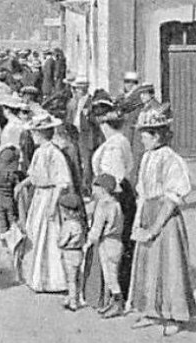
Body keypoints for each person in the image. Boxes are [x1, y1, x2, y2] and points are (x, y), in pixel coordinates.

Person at [128, 105, 196, 335]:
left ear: (157, 135)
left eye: (145, 135)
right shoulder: (147, 157)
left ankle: (173, 316)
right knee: (148, 265)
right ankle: (151, 311)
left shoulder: (171, 159)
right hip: (148, 211)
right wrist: (139, 223)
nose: (141, 139)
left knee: (169, 266)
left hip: (165, 219)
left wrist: (155, 228)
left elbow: (171, 198)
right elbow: (142, 193)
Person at [16, 113, 72, 293]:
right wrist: (22, 184)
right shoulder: (39, 152)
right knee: (36, 234)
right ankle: (36, 277)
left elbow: (62, 182)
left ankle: (54, 280)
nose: (33, 136)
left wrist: (53, 204)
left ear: (41, 134)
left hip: (49, 197)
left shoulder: (54, 153)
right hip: (39, 196)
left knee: (49, 236)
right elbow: (34, 175)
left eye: (34, 133)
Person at [88, 99, 137, 300]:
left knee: (111, 242)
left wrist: (102, 200)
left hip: (113, 195)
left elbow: (114, 178)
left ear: (102, 123)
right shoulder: (121, 140)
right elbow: (130, 167)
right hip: (120, 192)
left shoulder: (113, 148)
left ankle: (114, 293)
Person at [83, 173, 127, 318]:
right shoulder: (116, 204)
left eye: (95, 188)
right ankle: (111, 303)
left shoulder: (103, 206)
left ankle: (117, 304)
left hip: (107, 243)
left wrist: (87, 243)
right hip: (117, 241)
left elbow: (96, 230)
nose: (93, 191)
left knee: (111, 277)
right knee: (112, 274)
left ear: (102, 189)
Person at [0, 94, 28, 234]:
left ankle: (8, 232)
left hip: (8, 162)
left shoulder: (11, 127)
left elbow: (6, 145)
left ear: (7, 109)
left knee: (3, 202)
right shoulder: (21, 125)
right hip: (16, 163)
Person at [57, 191, 88, 311]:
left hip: (68, 252)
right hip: (78, 252)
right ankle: (78, 298)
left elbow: (63, 240)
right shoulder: (79, 223)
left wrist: (59, 243)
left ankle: (72, 301)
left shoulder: (68, 225)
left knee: (70, 279)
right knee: (77, 278)